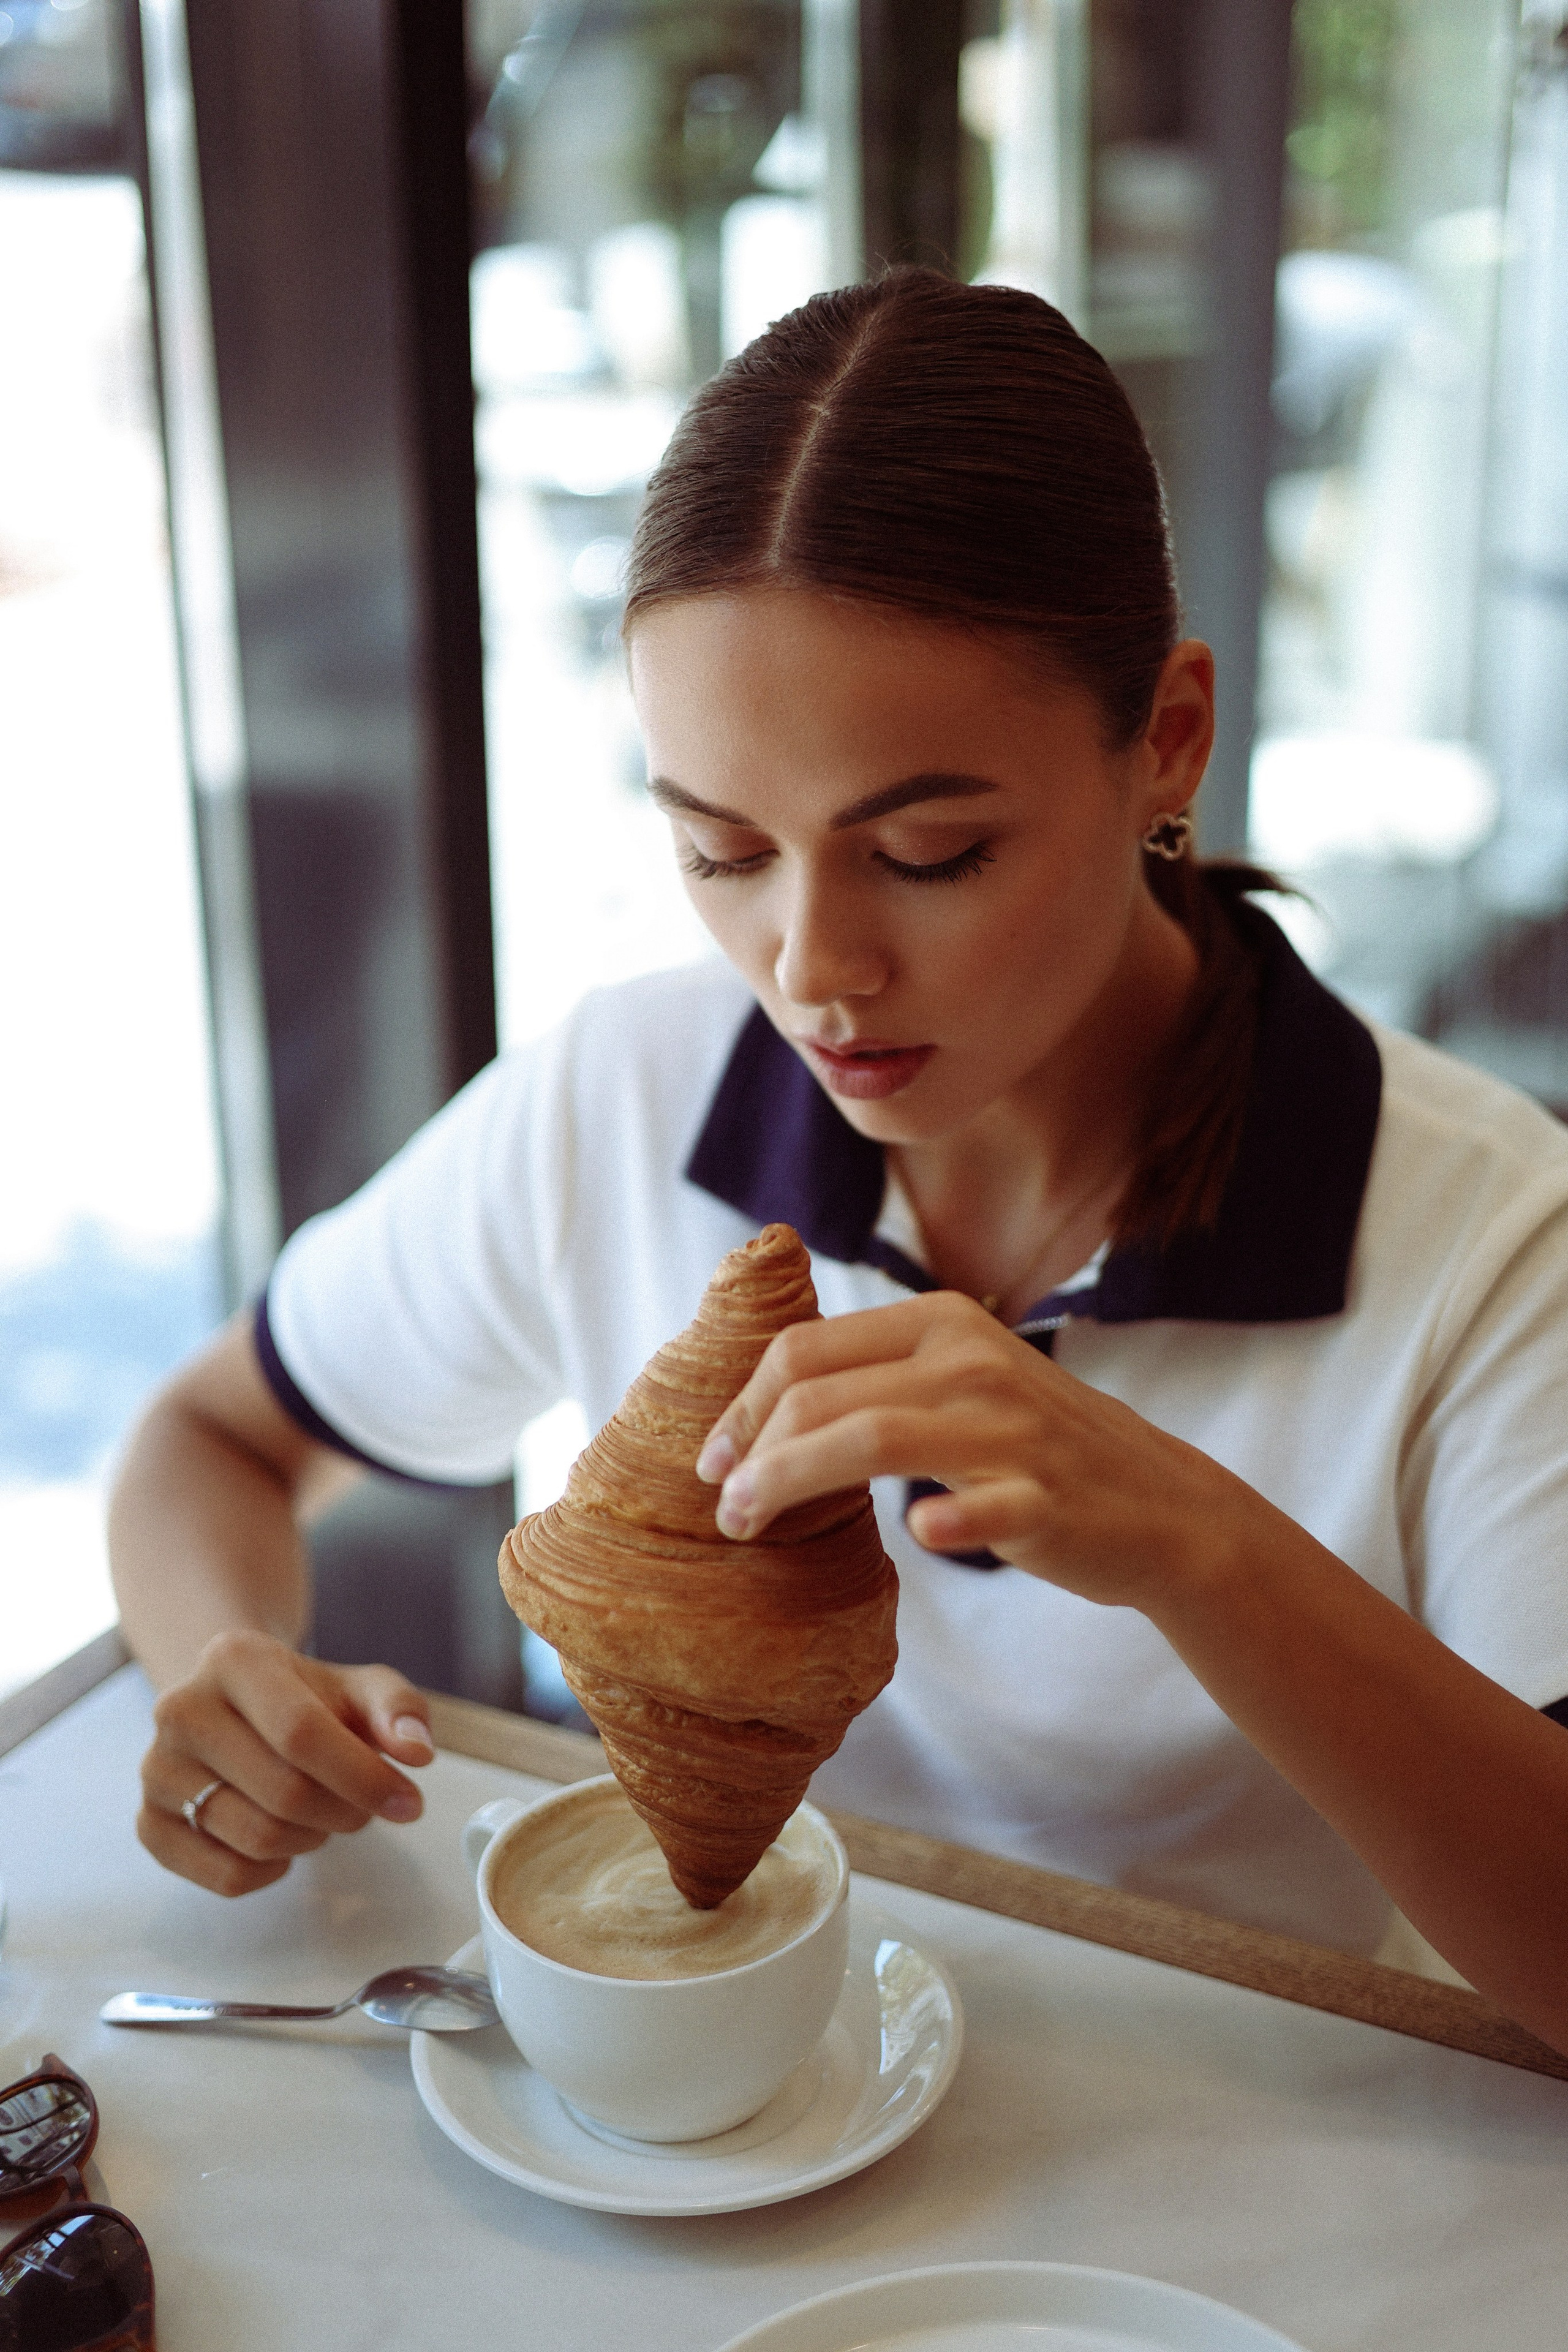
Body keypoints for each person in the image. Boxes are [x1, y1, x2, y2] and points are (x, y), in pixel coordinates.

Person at [110, 270, 1568, 2056]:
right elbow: (214, 1440)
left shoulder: (1491, 1238)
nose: (812, 968)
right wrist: (225, 1672)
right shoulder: (627, 1090)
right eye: (723, 852)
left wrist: (1194, 1545)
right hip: (696, 2112)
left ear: (1168, 742)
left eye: (931, 852)